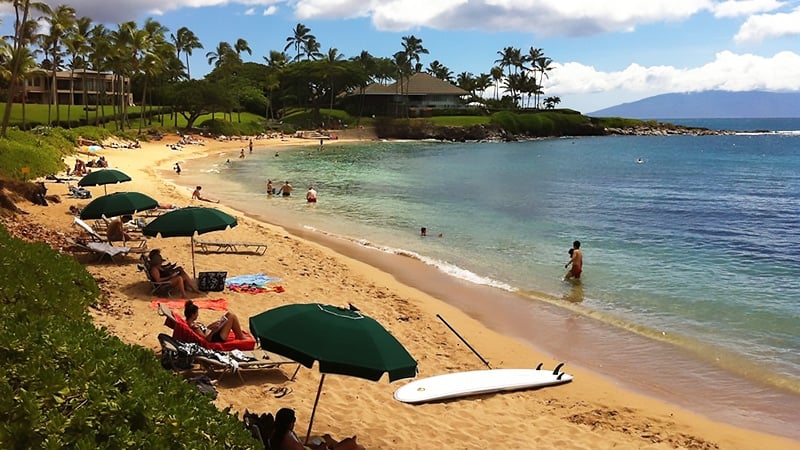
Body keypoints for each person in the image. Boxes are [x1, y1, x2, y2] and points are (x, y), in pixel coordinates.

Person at [270, 408, 362, 450]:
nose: (294, 422)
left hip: (306, 446)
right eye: (294, 420)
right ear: (289, 423)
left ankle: (336, 447)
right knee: (350, 442)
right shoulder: (289, 442)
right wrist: (321, 447)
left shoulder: (279, 432)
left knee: (326, 437)